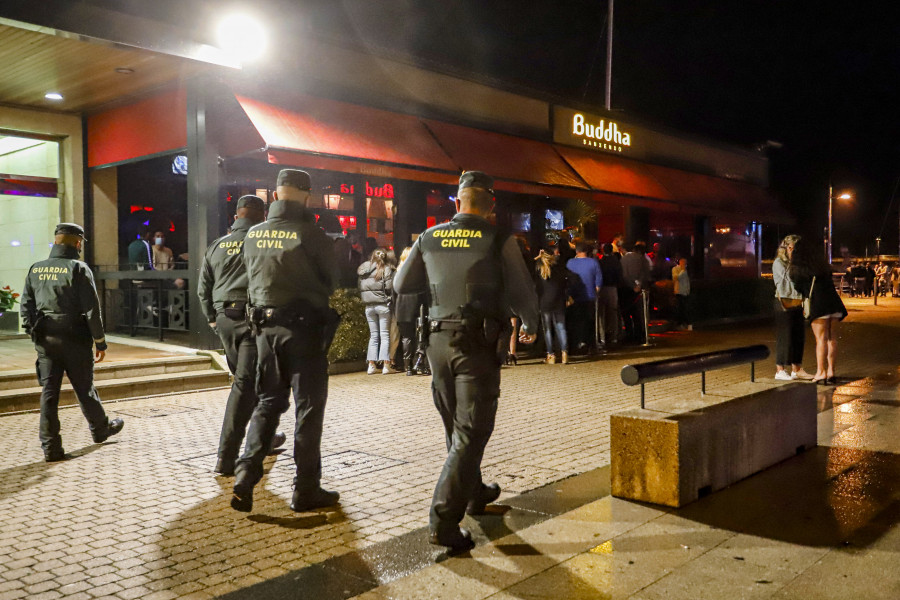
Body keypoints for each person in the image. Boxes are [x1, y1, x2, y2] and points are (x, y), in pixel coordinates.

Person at [393, 171, 539, 553]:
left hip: (436, 342)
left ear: (456, 203)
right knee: (472, 430)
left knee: (456, 426)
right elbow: (522, 288)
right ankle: (443, 520)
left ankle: (473, 492)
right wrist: (530, 323)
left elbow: (401, 285)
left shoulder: (429, 236)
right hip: (475, 343)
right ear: (491, 206)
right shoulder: (497, 239)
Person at [231, 169, 340, 513]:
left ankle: (245, 476)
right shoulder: (313, 235)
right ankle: (306, 488)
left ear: (276, 196)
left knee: (267, 404)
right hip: (304, 334)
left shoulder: (253, 235)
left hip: (265, 333)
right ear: (308, 196)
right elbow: (333, 281)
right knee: (308, 410)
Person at [197, 195, 286, 476]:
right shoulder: (263, 240)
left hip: (224, 320)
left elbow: (204, 288)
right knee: (246, 385)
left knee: (251, 379)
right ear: (262, 215)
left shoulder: (217, 245)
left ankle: (265, 439)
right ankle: (226, 458)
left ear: (237, 215)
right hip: (252, 319)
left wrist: (213, 319)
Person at [20, 223, 124, 461]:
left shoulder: (36, 268)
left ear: (56, 241)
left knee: (49, 393)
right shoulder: (78, 268)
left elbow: (26, 305)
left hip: (46, 339)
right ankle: (100, 430)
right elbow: (91, 310)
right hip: (75, 338)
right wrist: (100, 341)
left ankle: (51, 448)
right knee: (84, 388)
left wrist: (34, 333)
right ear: (77, 243)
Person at [789, 238, 847, 385]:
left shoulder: (799, 268)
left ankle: (821, 372)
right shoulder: (823, 266)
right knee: (831, 338)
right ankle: (831, 372)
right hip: (834, 303)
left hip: (819, 304)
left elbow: (799, 288)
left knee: (820, 339)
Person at [771, 235, 814, 381]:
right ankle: (780, 369)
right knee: (785, 336)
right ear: (785, 248)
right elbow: (786, 280)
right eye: (790, 248)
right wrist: (791, 260)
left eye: (796, 249)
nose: (793, 251)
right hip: (783, 302)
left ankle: (797, 369)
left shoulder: (798, 263)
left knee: (798, 336)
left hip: (797, 301)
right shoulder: (779, 262)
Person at [358, 247, 395, 374]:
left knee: (373, 336)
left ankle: (371, 366)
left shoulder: (364, 270)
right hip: (383, 305)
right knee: (384, 335)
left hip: (369, 306)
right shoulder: (386, 269)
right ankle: (385, 366)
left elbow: (360, 287)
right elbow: (389, 287)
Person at [393, 247, 428, 375]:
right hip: (417, 309)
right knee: (420, 337)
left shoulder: (397, 274)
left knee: (406, 338)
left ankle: (408, 367)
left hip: (401, 310)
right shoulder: (418, 275)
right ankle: (419, 364)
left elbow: (393, 294)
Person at [564, 241, 601, 354]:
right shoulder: (593, 263)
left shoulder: (570, 263)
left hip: (573, 297)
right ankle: (590, 346)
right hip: (589, 297)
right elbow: (598, 282)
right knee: (589, 322)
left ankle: (573, 346)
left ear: (577, 251)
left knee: (573, 322)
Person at [535, 248, 570, 364]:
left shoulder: (539, 269)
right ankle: (564, 353)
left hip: (544, 302)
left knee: (547, 329)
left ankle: (551, 355)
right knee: (561, 327)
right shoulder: (559, 268)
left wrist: (538, 257)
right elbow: (564, 284)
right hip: (558, 301)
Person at [620, 241, 652, 343]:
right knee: (638, 314)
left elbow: (624, 275)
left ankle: (629, 334)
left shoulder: (623, 259)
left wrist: (631, 285)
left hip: (626, 290)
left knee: (626, 313)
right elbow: (645, 273)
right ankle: (640, 335)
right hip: (639, 290)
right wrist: (638, 285)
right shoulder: (642, 259)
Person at [597, 243, 622, 347]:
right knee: (613, 312)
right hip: (612, 288)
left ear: (603, 251)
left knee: (602, 313)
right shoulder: (616, 261)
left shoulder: (601, 262)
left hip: (602, 288)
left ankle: (603, 337)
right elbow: (619, 275)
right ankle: (614, 336)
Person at [671, 257, 692, 331]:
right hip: (679, 291)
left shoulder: (687, 269)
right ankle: (682, 324)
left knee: (685, 308)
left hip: (685, 291)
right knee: (681, 308)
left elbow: (687, 281)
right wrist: (682, 270)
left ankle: (685, 323)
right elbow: (676, 278)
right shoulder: (675, 269)